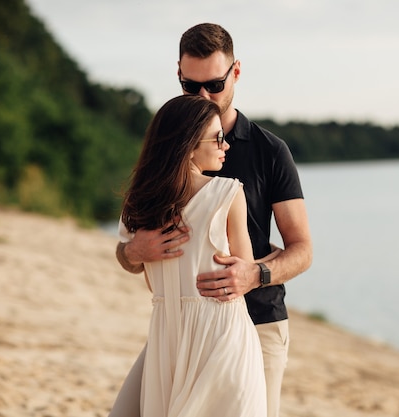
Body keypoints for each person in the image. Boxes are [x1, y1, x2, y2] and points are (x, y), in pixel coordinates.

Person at [110, 23, 313, 417]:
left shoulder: (271, 152)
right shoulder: (166, 150)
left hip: (256, 323)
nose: (204, 95)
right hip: (178, 328)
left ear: (236, 73)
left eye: (215, 84)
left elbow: (302, 249)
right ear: (179, 76)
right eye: (191, 86)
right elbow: (129, 254)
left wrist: (255, 274)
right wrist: (135, 250)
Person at [117, 94, 269, 416]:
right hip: (197, 332)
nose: (225, 145)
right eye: (217, 138)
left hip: (206, 336)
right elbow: (245, 268)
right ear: (188, 145)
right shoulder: (228, 193)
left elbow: (243, 275)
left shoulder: (139, 201)